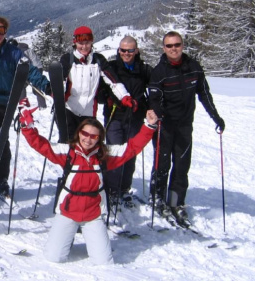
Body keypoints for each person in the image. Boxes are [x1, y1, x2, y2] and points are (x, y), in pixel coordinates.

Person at [18, 99, 159, 264]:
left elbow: (132, 148)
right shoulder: (68, 153)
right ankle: (65, 237)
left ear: (99, 138)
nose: (88, 139)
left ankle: (88, 239)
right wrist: (27, 126)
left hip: (93, 215)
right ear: (79, 133)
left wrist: (149, 126)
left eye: (93, 136)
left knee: (103, 261)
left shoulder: (105, 155)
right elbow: (41, 145)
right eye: (85, 134)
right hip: (68, 212)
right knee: (54, 257)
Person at [148, 31, 225, 226]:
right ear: (164, 48)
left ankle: (176, 202)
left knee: (182, 166)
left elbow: (204, 94)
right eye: (169, 46)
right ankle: (157, 198)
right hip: (164, 127)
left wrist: (215, 117)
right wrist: (159, 115)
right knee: (162, 165)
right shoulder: (159, 72)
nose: (173, 49)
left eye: (177, 45)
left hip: (184, 126)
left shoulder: (194, 68)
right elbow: (154, 99)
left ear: (182, 45)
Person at [0, 16, 51, 197]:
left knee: (2, 140)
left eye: (1, 31)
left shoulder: (14, 53)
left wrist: (48, 87)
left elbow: (30, 71)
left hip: (6, 99)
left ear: (6, 32)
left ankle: (0, 178)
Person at [58, 26, 135, 143]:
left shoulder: (98, 60)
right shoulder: (67, 60)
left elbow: (113, 81)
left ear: (92, 42)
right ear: (75, 43)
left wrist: (124, 96)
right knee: (69, 145)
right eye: (80, 43)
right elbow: (60, 81)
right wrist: (57, 93)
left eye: (87, 43)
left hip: (89, 113)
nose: (84, 46)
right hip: (69, 110)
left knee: (88, 146)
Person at [102, 36, 152, 208]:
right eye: (123, 50)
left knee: (130, 153)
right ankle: (112, 190)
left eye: (130, 50)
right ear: (118, 50)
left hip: (135, 117)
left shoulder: (143, 69)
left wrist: (148, 107)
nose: (126, 53)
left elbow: (154, 88)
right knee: (114, 153)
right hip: (114, 116)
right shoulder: (112, 68)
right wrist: (107, 99)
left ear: (136, 50)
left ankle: (124, 188)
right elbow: (102, 90)